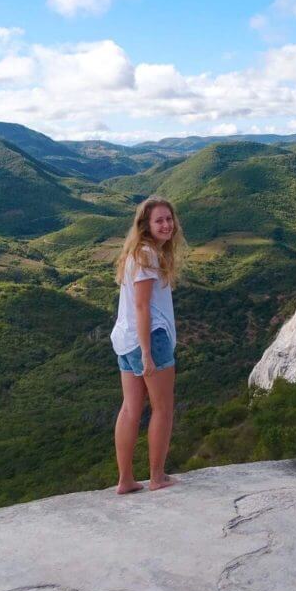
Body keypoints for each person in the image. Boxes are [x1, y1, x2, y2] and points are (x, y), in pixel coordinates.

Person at [110, 195, 185, 494]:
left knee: (130, 409)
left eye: (169, 219)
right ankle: (157, 477)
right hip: (149, 340)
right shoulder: (148, 255)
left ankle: (125, 480)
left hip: (125, 340)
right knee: (162, 408)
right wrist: (147, 354)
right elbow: (142, 307)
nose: (166, 225)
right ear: (146, 225)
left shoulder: (135, 253)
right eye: (159, 220)